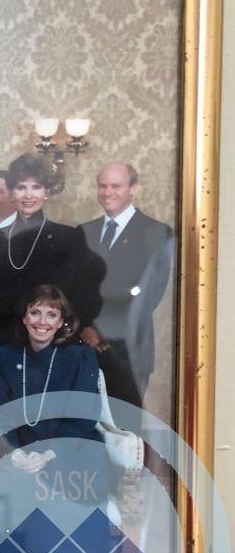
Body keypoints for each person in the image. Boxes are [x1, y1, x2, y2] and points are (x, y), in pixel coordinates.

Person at [0, 285, 109, 553]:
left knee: (68, 495)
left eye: (51, 314)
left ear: (62, 322)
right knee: (28, 492)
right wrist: (20, 451)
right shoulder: (1, 356)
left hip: (74, 448)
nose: (42, 321)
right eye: (35, 312)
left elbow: (86, 414)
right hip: (21, 453)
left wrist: (51, 453)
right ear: (24, 317)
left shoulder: (80, 356)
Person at [0, 153, 104, 349]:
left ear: (46, 192)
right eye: (21, 187)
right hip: (1, 341)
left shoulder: (67, 238)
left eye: (36, 187)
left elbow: (83, 295)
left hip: (51, 341)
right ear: (12, 193)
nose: (28, 195)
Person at [78, 163, 174, 397]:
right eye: (102, 186)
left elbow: (149, 293)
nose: (107, 192)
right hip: (83, 343)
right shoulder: (83, 231)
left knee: (126, 424)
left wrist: (101, 330)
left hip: (129, 345)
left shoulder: (157, 232)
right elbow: (74, 288)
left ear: (133, 188)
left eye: (115, 186)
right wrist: (85, 328)